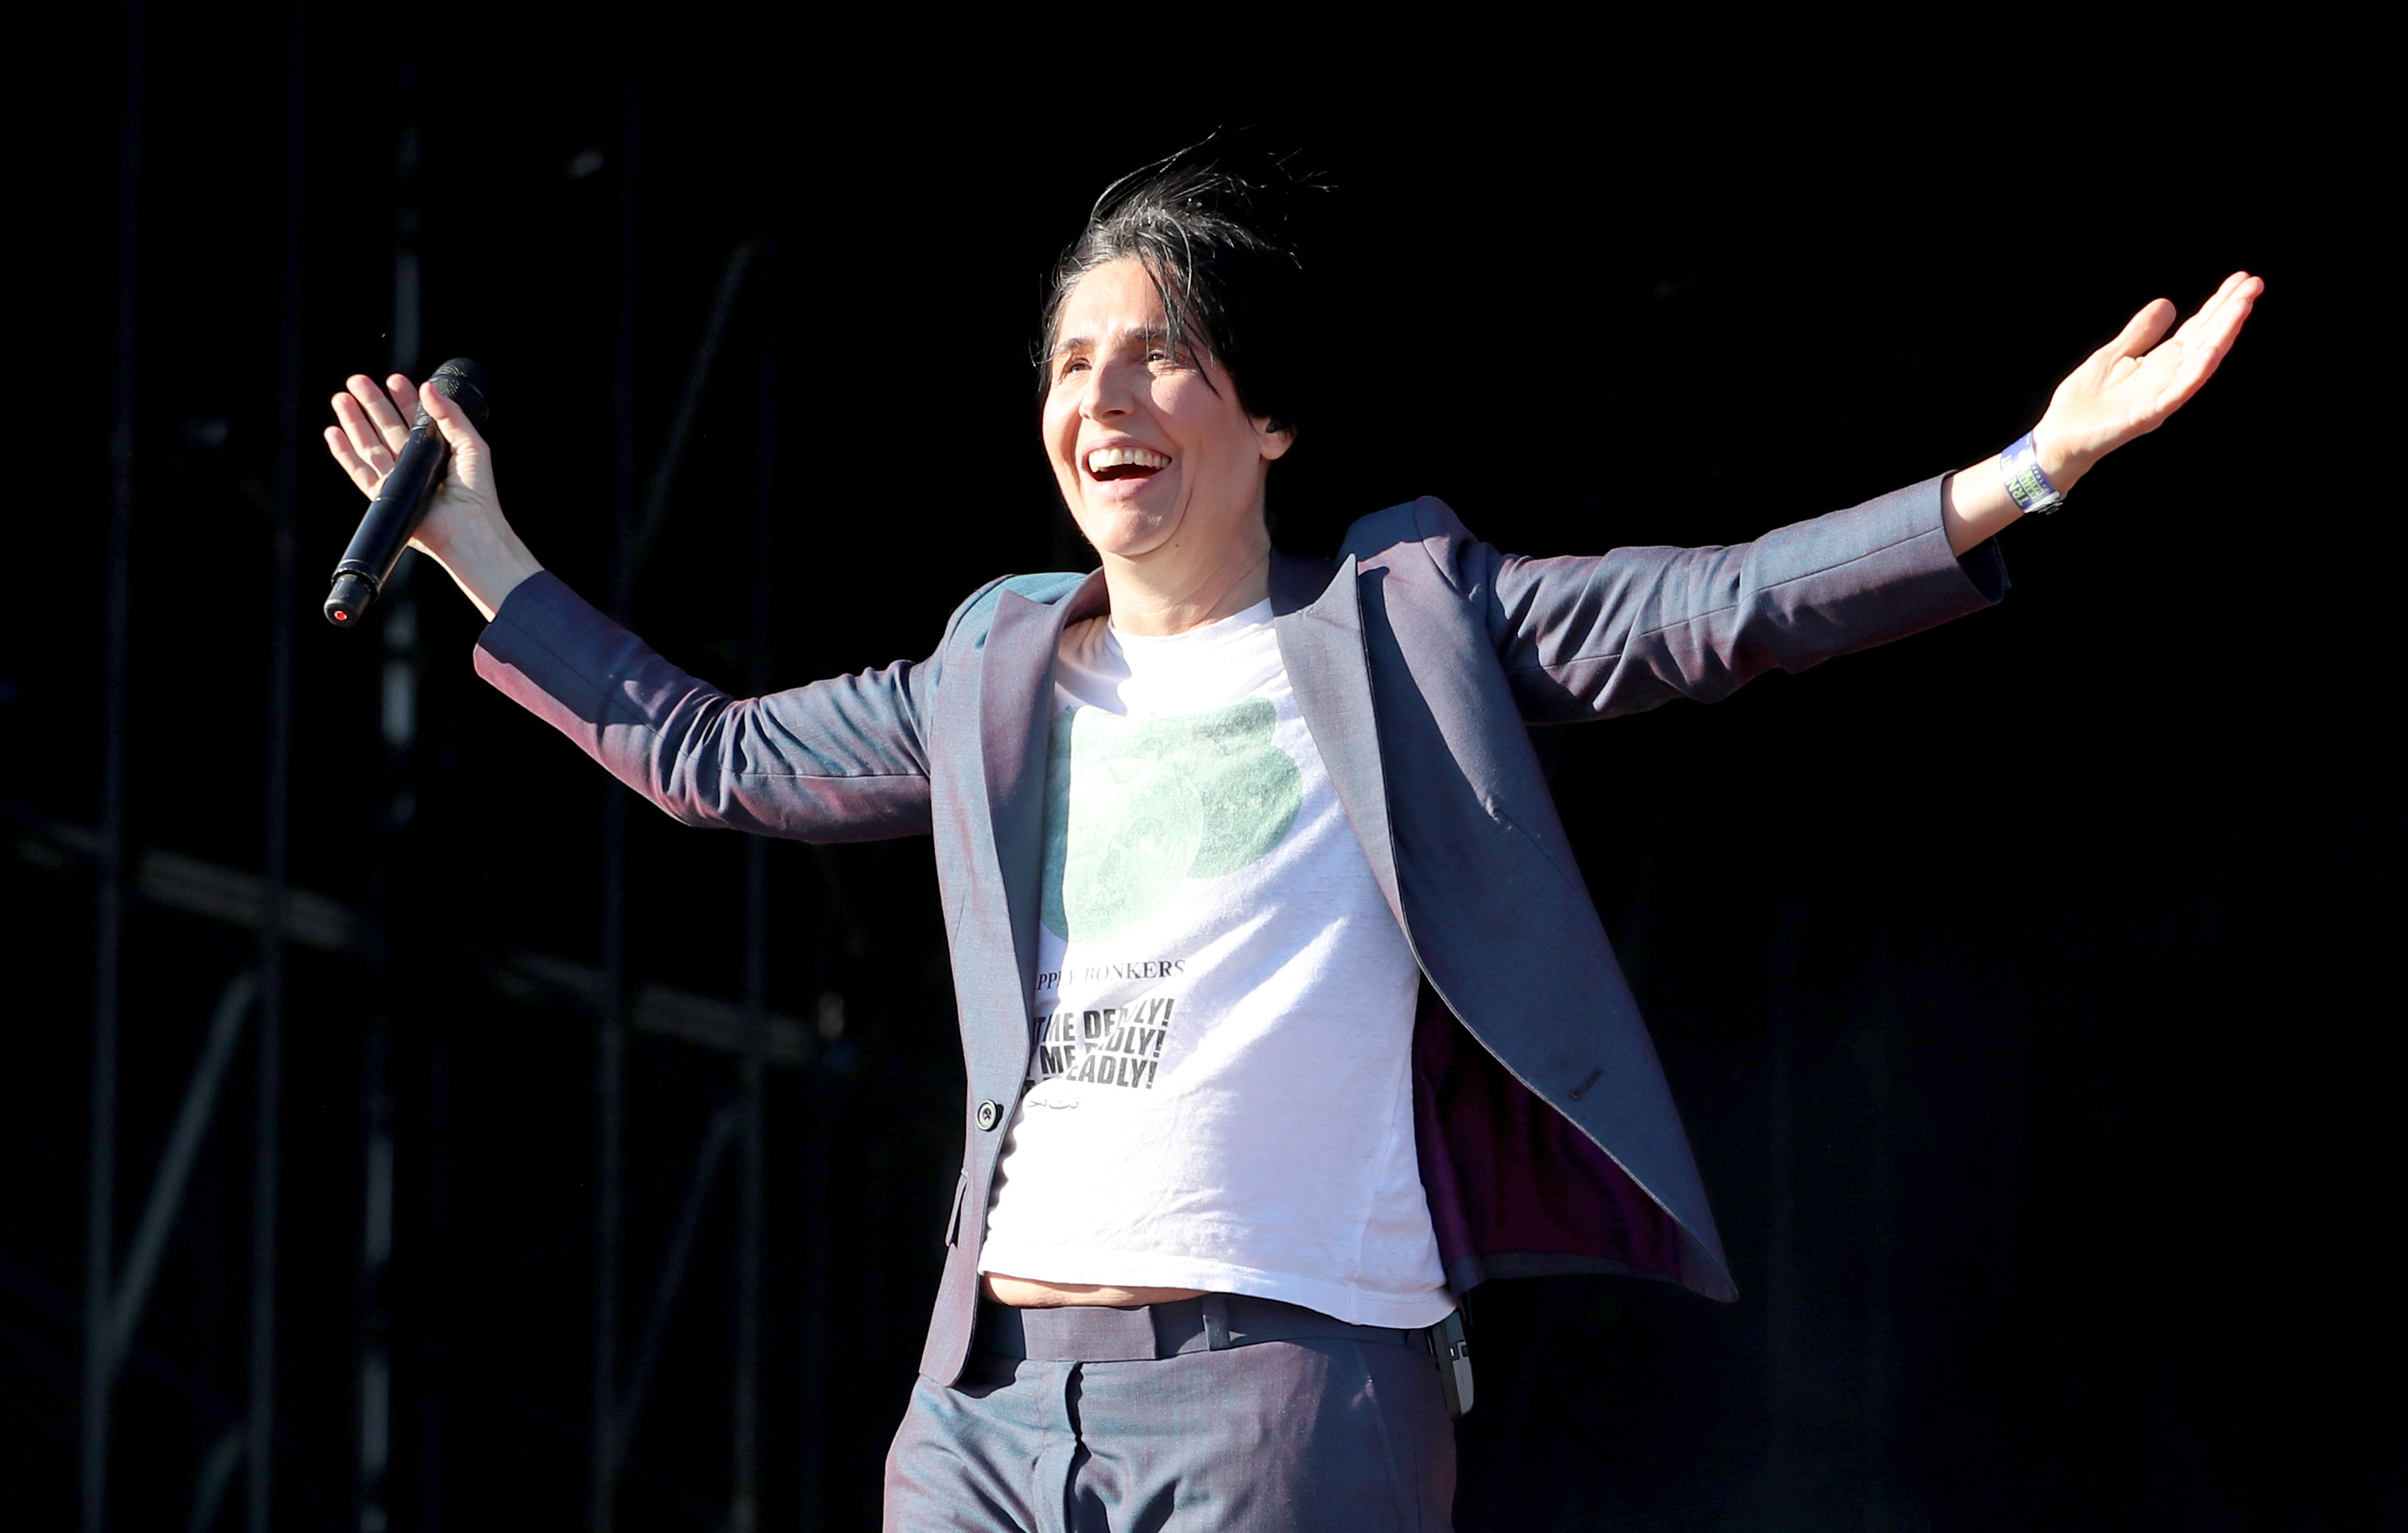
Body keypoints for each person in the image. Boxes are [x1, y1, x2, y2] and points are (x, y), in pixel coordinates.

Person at [324, 146, 2261, 1531]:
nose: (1105, 395)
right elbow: (714, 754)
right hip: (986, 1403)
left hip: (1284, 1395)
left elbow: (1716, 606)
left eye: (1159, 353)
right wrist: (479, 554)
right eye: (1072, 363)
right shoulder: (993, 667)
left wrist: (2021, 474)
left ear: (1263, 420)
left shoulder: (1402, 627)